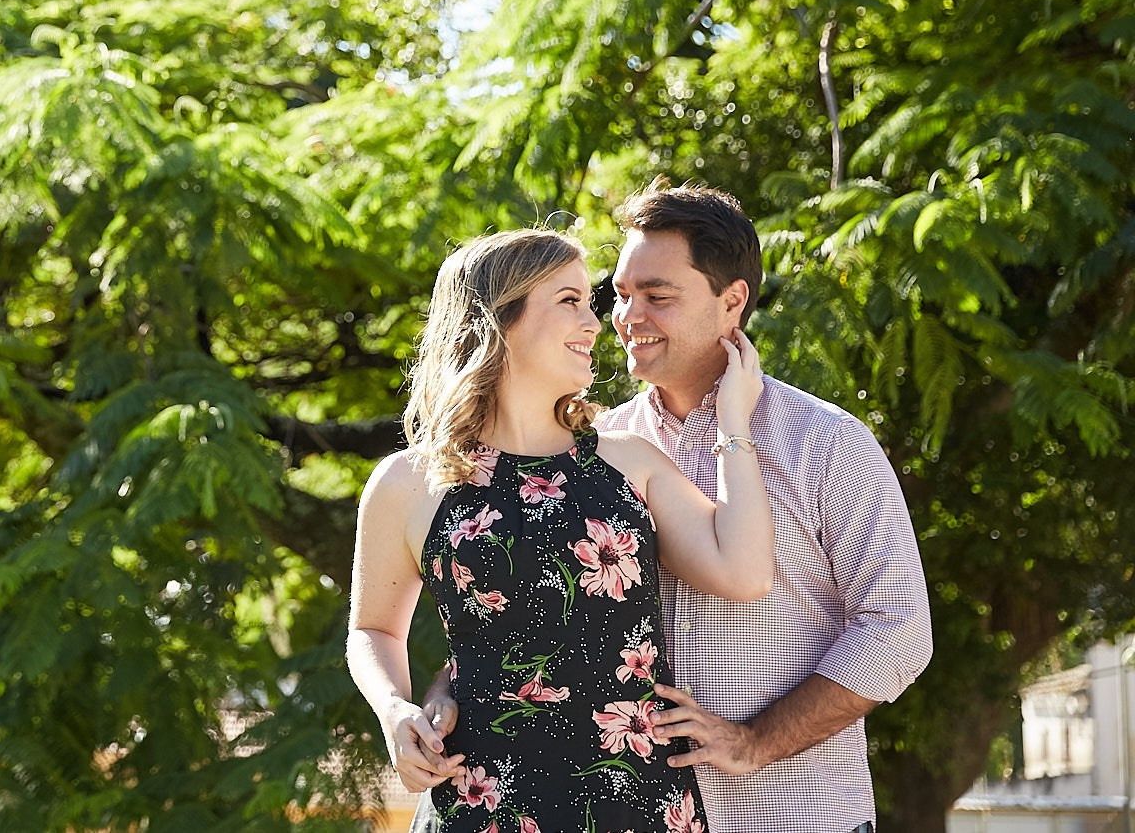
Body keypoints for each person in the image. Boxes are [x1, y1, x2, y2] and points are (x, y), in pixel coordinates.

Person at [348, 227, 775, 832]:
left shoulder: (631, 462)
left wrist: (735, 421)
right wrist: (395, 710)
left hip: (636, 802)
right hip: (480, 802)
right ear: (499, 320)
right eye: (570, 301)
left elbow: (746, 572)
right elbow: (372, 628)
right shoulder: (408, 482)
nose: (597, 324)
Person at [593, 182, 931, 832]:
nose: (627, 314)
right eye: (621, 293)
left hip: (799, 817)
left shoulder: (827, 443)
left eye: (657, 295)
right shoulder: (598, 450)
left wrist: (755, 741)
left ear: (733, 302)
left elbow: (898, 628)